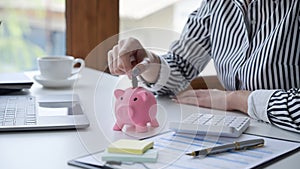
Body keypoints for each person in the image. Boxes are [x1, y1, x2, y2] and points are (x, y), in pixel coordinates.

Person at [108, 1, 300, 133]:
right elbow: (181, 66)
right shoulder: (216, 4)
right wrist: (147, 62)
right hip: (241, 133)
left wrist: (238, 100)